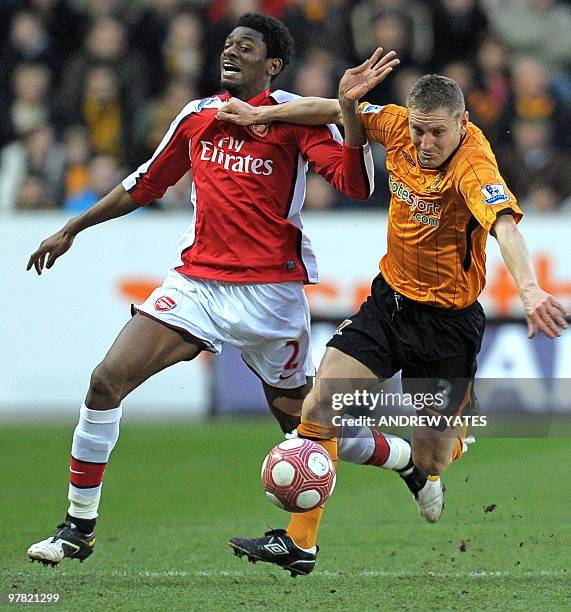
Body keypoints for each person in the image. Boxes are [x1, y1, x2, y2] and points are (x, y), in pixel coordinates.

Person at [25, 14, 425, 569]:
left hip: (272, 299)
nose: (230, 53)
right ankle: (78, 528)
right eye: (228, 44)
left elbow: (356, 184)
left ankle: (405, 457)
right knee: (104, 382)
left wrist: (351, 111)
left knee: (307, 431)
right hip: (198, 286)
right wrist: (73, 227)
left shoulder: (294, 118)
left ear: (273, 64)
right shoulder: (199, 116)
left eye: (246, 46)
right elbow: (144, 183)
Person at [218, 48, 569, 576]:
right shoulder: (398, 125)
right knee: (319, 410)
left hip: (448, 326)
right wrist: (260, 113)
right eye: (420, 132)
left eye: (438, 134)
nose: (426, 144)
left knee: (435, 459)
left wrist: (529, 289)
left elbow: (505, 228)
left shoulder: (475, 165)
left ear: (463, 123)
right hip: (389, 305)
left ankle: (423, 458)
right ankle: (300, 545)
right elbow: (336, 113)